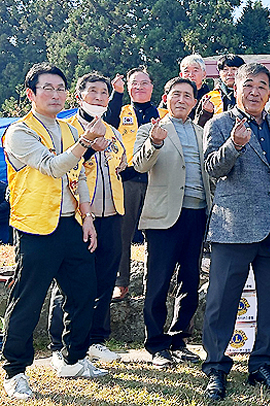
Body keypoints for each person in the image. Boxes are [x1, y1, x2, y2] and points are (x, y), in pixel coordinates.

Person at [2, 63, 108, 400]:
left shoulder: (67, 129)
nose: (55, 94)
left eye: (60, 88)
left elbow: (80, 174)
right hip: (34, 227)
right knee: (28, 299)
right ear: (30, 94)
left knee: (83, 292)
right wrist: (85, 142)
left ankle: (73, 358)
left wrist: (87, 217)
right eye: (47, 88)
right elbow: (52, 167)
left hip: (70, 223)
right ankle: (14, 371)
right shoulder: (19, 132)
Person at [201, 63, 270, 400]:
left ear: (269, 92)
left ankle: (262, 364)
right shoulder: (218, 123)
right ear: (236, 88)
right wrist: (234, 145)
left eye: (262, 86)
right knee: (221, 302)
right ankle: (215, 367)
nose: (255, 92)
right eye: (249, 85)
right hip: (233, 226)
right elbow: (213, 169)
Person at [48, 72, 128, 364]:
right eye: (92, 91)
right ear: (79, 96)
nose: (99, 97)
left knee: (105, 279)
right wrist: (89, 151)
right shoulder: (67, 129)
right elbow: (63, 168)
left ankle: (96, 339)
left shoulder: (113, 131)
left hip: (112, 213)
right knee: (70, 281)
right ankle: (59, 342)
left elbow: (121, 163)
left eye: (104, 92)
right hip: (79, 216)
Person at [132, 77, 212, 368]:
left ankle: (180, 339)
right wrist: (154, 142)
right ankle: (156, 343)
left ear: (194, 102)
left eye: (187, 95)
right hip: (164, 216)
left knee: (190, 279)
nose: (181, 100)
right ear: (165, 98)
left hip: (197, 213)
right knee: (158, 280)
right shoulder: (150, 129)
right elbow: (140, 165)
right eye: (176, 94)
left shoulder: (203, 132)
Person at [108, 66, 168, 301]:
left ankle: (153, 284)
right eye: (134, 83)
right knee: (122, 233)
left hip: (157, 179)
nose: (139, 87)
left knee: (156, 235)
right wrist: (116, 93)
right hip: (128, 180)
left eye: (144, 83)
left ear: (152, 87)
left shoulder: (163, 114)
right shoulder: (120, 110)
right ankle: (121, 282)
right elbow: (107, 124)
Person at [196, 54, 245, 127]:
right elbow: (198, 128)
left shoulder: (249, 95)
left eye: (234, 69)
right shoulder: (210, 98)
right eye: (225, 70)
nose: (229, 73)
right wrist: (206, 113)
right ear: (219, 73)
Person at [159, 54, 211, 122]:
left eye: (195, 70)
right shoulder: (172, 95)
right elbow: (161, 118)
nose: (191, 75)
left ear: (204, 74)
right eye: (186, 71)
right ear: (181, 75)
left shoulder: (210, 97)